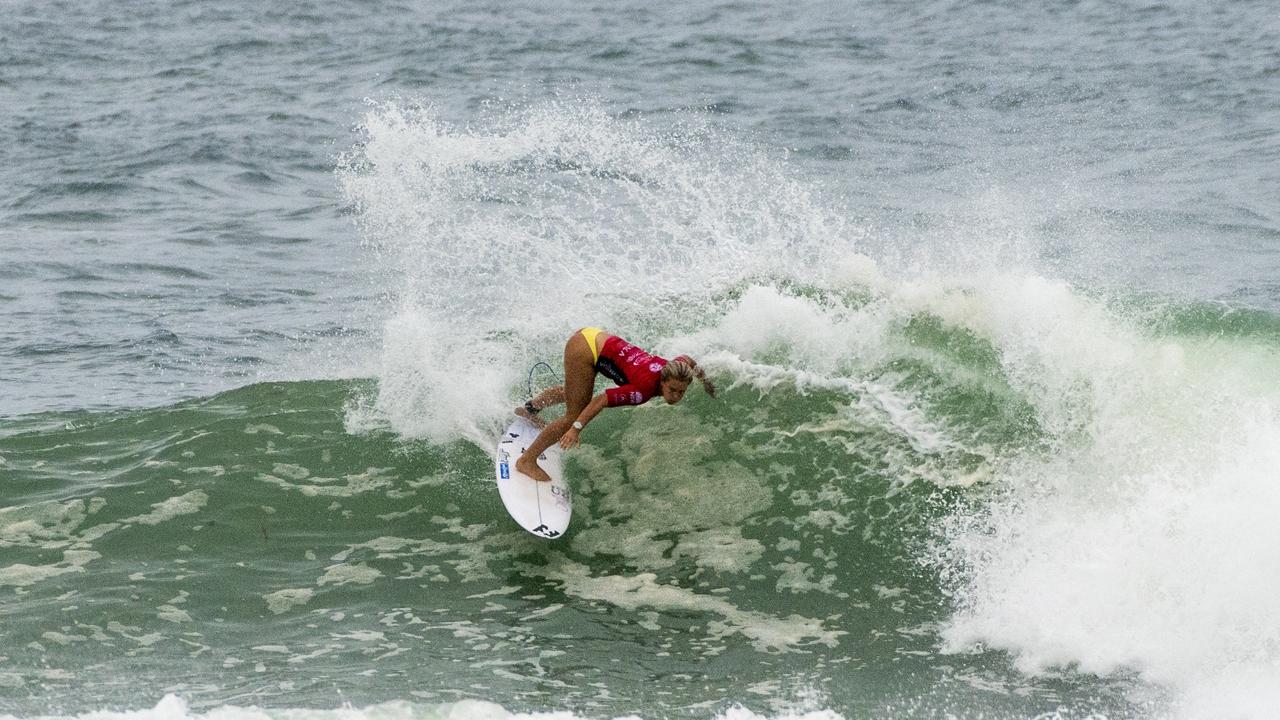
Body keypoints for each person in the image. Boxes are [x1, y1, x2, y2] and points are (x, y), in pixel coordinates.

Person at [514, 327, 715, 482]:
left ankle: (530, 408)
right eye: (672, 390)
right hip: (586, 349)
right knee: (574, 414)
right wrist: (576, 428)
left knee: (577, 393)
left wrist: (706, 381)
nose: (676, 396)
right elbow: (601, 400)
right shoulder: (642, 391)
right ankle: (526, 461)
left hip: (595, 337)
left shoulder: (675, 368)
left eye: (681, 392)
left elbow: (688, 360)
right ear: (662, 381)